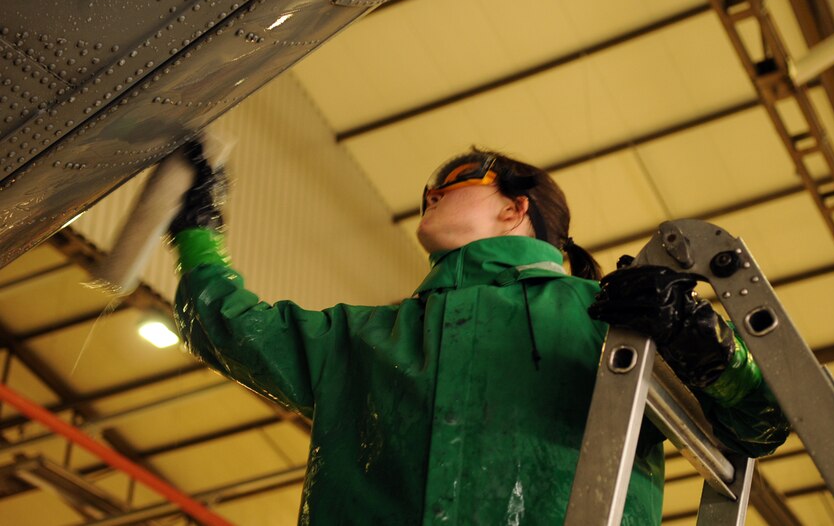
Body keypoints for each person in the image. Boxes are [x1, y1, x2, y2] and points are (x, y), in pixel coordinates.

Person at [169, 146, 789, 525]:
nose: (432, 194)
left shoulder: (612, 319)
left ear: (516, 209)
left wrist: (704, 343)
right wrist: (196, 228)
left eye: (459, 179)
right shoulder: (362, 338)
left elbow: (756, 425)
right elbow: (229, 325)